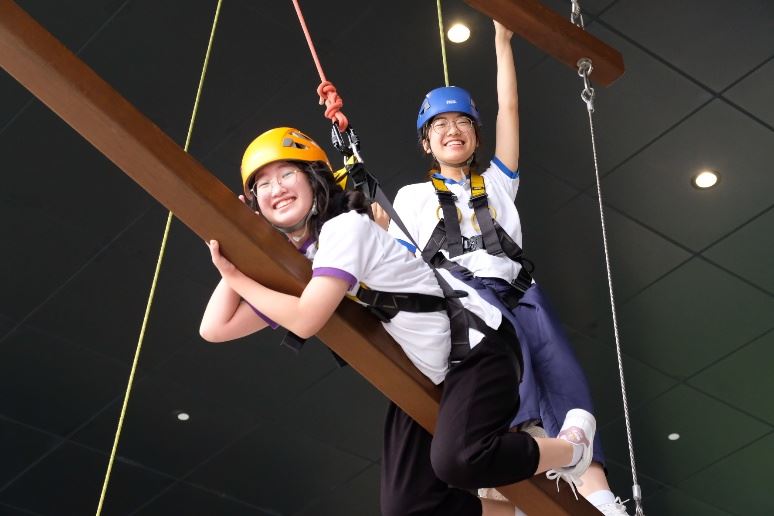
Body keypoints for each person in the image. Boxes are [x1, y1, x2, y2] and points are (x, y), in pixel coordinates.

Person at [200, 126, 597, 515]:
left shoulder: (345, 230)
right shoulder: (311, 262)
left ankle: (572, 448)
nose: (276, 188)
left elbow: (306, 319)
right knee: (408, 505)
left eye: (287, 174)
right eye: (262, 185)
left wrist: (237, 273)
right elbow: (215, 328)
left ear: (315, 178)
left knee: (458, 459)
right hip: (432, 370)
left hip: (479, 347)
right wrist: (242, 242)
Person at [386, 21, 630, 515]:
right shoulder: (410, 198)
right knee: (495, 403)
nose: (452, 130)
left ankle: (602, 499)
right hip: (465, 304)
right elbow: (397, 265)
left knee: (563, 383)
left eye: (462, 123)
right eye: (439, 126)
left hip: (519, 295)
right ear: (426, 144)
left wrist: (502, 41)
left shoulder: (498, 182)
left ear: (477, 136)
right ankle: (515, 495)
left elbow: (510, 109)